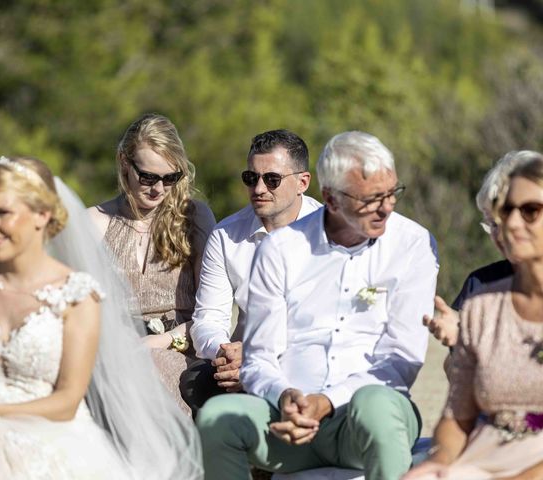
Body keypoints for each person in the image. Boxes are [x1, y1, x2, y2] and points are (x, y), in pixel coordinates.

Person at [0, 156, 202, 479]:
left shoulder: (77, 293)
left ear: (42, 215)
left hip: (48, 432)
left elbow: (68, 401)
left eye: (2, 213)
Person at [197, 131, 439, 480]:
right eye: (370, 199)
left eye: (391, 194)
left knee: (375, 405)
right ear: (331, 198)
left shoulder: (412, 244)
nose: (386, 208)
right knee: (217, 419)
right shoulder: (280, 249)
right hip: (289, 421)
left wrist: (326, 401)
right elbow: (259, 356)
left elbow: (401, 360)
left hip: (366, 419)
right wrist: (284, 396)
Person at [403, 153, 543, 480]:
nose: (507, 230)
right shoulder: (482, 293)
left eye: (527, 214)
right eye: (494, 221)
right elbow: (460, 412)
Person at [183, 129, 321, 413]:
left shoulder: (329, 234)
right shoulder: (226, 235)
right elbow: (208, 318)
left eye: (272, 179)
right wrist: (225, 353)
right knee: (195, 382)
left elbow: (326, 322)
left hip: (308, 356)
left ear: (302, 182)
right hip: (242, 360)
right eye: (251, 178)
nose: (259, 189)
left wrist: (257, 356)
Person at [89, 113, 215, 414]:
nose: (158, 189)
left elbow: (214, 310)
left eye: (170, 179)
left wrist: (162, 342)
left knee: (152, 367)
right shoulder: (94, 222)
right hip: (114, 354)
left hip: (183, 349)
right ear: (124, 162)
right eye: (147, 177)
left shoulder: (194, 218)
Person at [423, 151, 536, 348]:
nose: (501, 235)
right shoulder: (480, 285)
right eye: (493, 224)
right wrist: (459, 343)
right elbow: (454, 369)